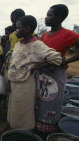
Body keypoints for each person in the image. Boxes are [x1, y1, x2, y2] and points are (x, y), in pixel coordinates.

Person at [7, 15, 62, 130]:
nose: (16, 30)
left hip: (25, 84)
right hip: (14, 82)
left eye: (18, 28)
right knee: (14, 108)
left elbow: (57, 59)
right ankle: (13, 128)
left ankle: (23, 132)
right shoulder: (18, 43)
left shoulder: (37, 45)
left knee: (23, 109)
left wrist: (38, 66)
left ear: (27, 29)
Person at [35, 4, 79, 134]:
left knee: (52, 103)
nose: (46, 18)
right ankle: (38, 129)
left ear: (59, 17)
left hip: (55, 74)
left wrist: (65, 61)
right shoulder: (45, 35)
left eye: (49, 15)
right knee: (39, 101)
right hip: (42, 73)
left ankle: (49, 131)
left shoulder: (69, 34)